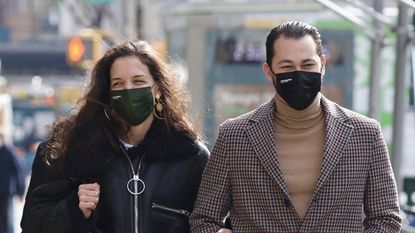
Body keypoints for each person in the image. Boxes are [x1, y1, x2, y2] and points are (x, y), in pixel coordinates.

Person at [190, 21, 402, 232]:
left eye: (308, 65)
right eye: (287, 66)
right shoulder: (234, 135)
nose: (299, 74)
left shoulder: (365, 134)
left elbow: (386, 219)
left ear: (323, 65)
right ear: (268, 71)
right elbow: (204, 219)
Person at [20, 39, 210, 233]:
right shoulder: (69, 150)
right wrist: (73, 210)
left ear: (158, 89)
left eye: (138, 81)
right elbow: (32, 224)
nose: (128, 90)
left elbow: (211, 223)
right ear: (107, 93)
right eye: (118, 84)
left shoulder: (190, 156)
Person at [0, 129, 25, 233]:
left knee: (6, 218)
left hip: (6, 192)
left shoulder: (9, 152)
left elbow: (19, 172)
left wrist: (21, 190)